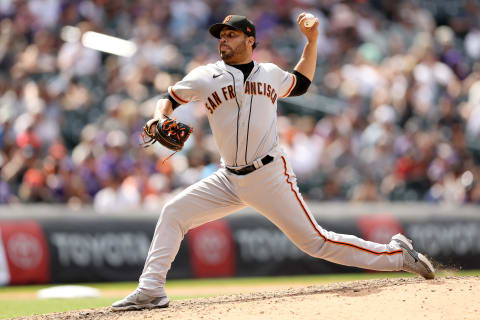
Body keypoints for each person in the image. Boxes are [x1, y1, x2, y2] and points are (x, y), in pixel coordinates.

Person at [112, 13, 435, 311]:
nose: (223, 40)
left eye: (231, 35)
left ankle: (397, 255)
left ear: (250, 39)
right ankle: (151, 289)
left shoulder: (270, 73)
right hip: (228, 177)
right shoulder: (205, 75)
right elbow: (167, 99)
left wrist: (311, 42)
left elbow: (302, 82)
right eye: (221, 35)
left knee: (316, 243)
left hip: (268, 174)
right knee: (174, 212)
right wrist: (159, 116)